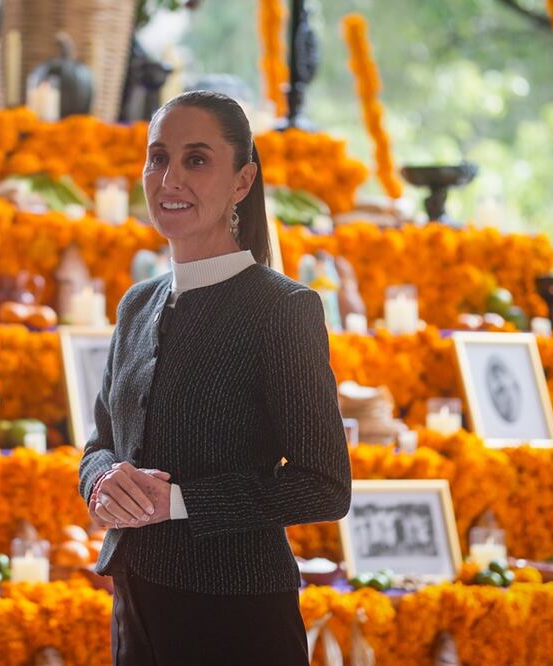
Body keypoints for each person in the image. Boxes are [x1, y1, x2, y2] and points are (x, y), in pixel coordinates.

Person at [78, 90, 352, 665]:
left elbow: (326, 485)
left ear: (242, 181)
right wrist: (103, 483)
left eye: (196, 159)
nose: (169, 177)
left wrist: (177, 502)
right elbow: (100, 444)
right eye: (158, 157)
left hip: (235, 618)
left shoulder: (282, 309)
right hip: (135, 605)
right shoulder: (137, 303)